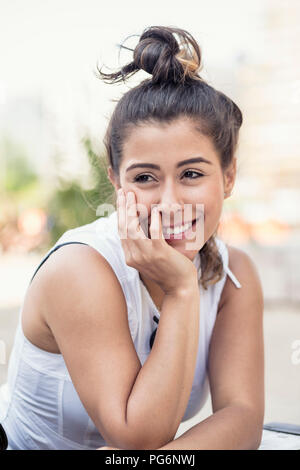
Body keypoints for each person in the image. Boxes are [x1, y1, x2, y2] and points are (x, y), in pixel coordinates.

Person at [0, 26, 264, 450]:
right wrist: (181, 289)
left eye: (192, 174)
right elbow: (136, 437)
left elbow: (243, 415)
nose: (169, 201)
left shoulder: (234, 275)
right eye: (145, 178)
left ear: (228, 176)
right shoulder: (81, 270)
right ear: (116, 182)